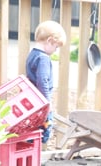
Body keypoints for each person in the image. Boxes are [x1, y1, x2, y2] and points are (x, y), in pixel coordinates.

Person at [26, 20, 66, 150]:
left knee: (33, 130)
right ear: (50, 40)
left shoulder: (32, 54)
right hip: (41, 102)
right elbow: (43, 81)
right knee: (44, 129)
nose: (55, 50)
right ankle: (34, 154)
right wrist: (47, 103)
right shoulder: (43, 58)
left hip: (33, 100)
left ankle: (30, 152)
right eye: (56, 47)